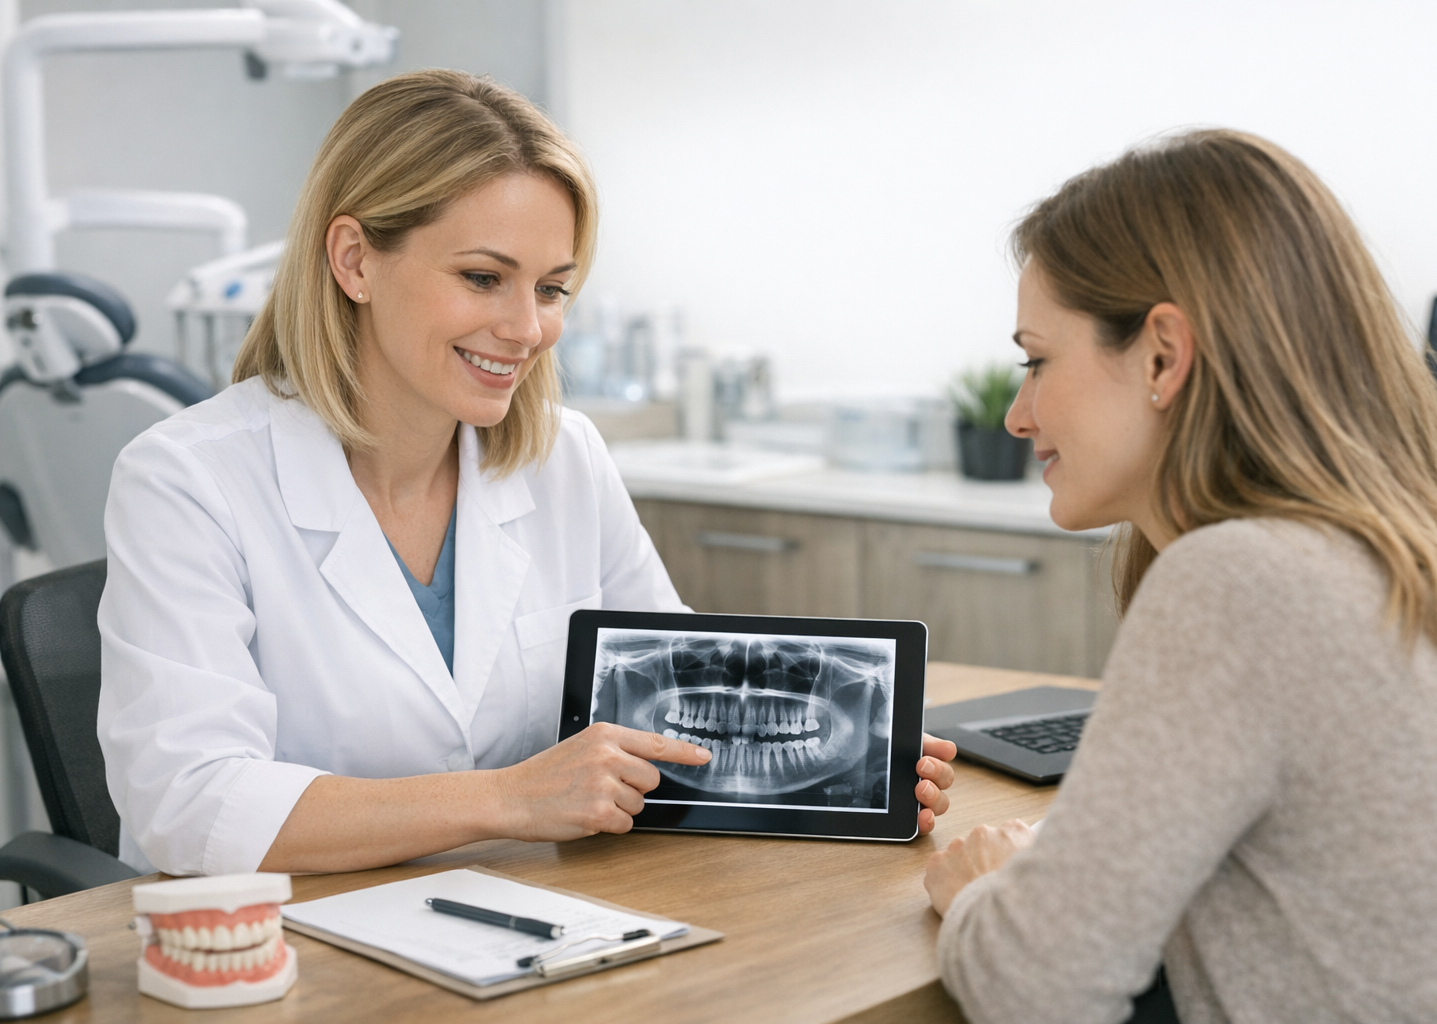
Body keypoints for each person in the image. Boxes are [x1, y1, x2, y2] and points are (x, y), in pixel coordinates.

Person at [98, 69, 955, 877]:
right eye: (482, 278)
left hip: (524, 921)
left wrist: (853, 776)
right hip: (286, 953)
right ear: (354, 260)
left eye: (551, 289)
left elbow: (673, 689)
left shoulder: (562, 455)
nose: (527, 327)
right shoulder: (187, 480)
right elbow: (187, 800)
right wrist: (506, 799)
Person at [923, 129, 1437, 1024]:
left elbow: (1036, 985)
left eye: (1037, 360)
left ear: (1164, 355)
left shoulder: (1246, 579)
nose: (1018, 415)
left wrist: (984, 889)